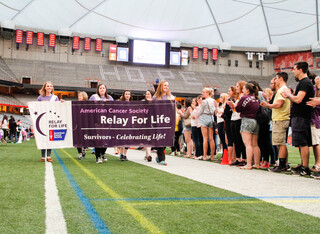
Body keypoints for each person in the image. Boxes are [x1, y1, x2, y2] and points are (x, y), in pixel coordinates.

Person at [281, 61, 314, 176]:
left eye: (294, 69)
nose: (293, 71)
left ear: (300, 70)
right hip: (299, 115)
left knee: (303, 142)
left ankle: (305, 167)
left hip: (301, 116)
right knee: (300, 142)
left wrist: (289, 94)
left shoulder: (305, 83)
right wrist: (290, 96)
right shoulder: (303, 82)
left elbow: (299, 99)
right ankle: (302, 165)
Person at [261, 72, 291, 172]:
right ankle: (284, 164)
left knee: (280, 143)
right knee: (281, 142)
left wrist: (268, 105)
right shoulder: (283, 90)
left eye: (276, 79)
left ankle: (282, 165)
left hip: (281, 118)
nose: (275, 81)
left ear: (281, 79)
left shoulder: (282, 90)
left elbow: (279, 104)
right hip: (281, 118)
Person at [235, 83, 260, 170]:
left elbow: (238, 109)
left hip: (247, 120)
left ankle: (248, 164)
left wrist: (233, 104)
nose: (242, 90)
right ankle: (257, 163)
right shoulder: (256, 98)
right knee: (255, 144)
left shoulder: (244, 98)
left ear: (247, 90)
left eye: (244, 89)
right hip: (255, 121)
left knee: (248, 144)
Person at [89, 83, 114, 164]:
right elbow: (88, 107)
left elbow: (114, 108)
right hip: (97, 121)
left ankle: (103, 153)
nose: (102, 89)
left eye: (103, 88)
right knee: (98, 139)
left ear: (106, 89)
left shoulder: (109, 98)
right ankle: (98, 157)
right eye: (100, 88)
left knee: (106, 139)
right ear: (98, 89)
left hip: (107, 121)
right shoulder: (93, 97)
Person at [153, 80, 175, 165]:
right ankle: (162, 159)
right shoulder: (156, 97)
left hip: (167, 121)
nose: (166, 87)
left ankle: (159, 155)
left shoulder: (170, 96)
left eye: (167, 86)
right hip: (158, 121)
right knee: (160, 139)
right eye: (165, 85)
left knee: (165, 140)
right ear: (161, 86)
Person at [37, 81, 59, 162]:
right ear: (45, 87)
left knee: (50, 137)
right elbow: (36, 108)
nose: (49, 87)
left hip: (51, 120)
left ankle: (49, 155)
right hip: (42, 120)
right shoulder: (40, 98)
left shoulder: (55, 98)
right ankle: (43, 156)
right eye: (48, 86)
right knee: (43, 137)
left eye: (51, 86)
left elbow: (58, 108)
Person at [199, 87, 216, 161]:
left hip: (204, 117)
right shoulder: (213, 101)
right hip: (211, 117)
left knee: (205, 138)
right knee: (211, 138)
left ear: (207, 93)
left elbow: (200, 111)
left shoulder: (204, 101)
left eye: (204, 92)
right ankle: (212, 156)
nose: (202, 93)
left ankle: (205, 156)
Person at [118, 90, 133, 161]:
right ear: (124, 95)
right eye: (126, 94)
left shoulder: (132, 104)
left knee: (128, 140)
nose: (127, 95)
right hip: (122, 124)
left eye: (128, 94)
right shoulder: (121, 104)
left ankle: (124, 154)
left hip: (130, 124)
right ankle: (121, 154)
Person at [143, 90, 154, 161]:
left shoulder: (155, 103)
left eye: (149, 94)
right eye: (146, 94)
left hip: (152, 122)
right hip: (143, 122)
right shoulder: (143, 102)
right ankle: (147, 154)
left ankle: (148, 154)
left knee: (149, 138)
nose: (147, 95)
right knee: (145, 138)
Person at [77, 91, 88, 160]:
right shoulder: (76, 104)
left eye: (80, 96)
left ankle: (84, 149)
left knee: (85, 137)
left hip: (85, 124)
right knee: (78, 138)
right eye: (78, 96)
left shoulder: (88, 105)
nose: (79, 97)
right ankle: (80, 153)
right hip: (78, 123)